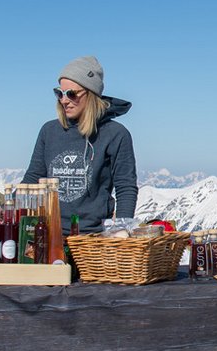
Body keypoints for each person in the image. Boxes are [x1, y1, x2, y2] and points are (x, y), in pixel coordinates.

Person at [24, 56, 138, 233]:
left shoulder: (115, 134)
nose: (64, 100)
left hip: (92, 238)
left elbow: (125, 186)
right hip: (48, 233)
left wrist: (122, 230)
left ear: (90, 94)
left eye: (71, 94)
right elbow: (32, 179)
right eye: (59, 93)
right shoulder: (49, 131)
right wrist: (9, 211)